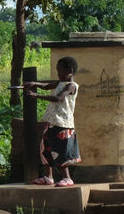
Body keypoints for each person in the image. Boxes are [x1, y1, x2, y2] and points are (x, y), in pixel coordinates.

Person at [24, 56, 81, 187]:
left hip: (63, 124)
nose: (58, 73)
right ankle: (48, 177)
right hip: (52, 122)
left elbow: (58, 98)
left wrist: (37, 96)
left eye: (60, 70)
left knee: (60, 151)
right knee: (46, 149)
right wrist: (35, 84)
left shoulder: (71, 86)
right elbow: (47, 85)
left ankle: (67, 178)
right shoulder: (61, 83)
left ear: (70, 71)